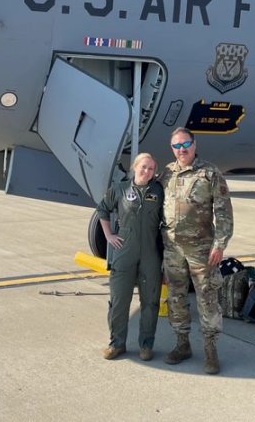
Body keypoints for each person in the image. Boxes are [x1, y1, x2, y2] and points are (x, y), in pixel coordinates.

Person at [160, 127, 234, 374]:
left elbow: (223, 213)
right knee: (176, 296)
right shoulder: (167, 173)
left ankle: (211, 351)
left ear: (194, 144)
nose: (182, 150)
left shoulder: (210, 173)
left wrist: (219, 245)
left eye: (185, 144)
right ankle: (182, 345)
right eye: (176, 146)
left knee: (207, 296)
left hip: (202, 249)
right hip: (172, 249)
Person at [95, 152, 164, 361]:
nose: (147, 171)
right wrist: (108, 235)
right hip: (125, 251)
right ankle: (117, 344)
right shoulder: (120, 189)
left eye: (151, 169)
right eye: (143, 167)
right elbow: (102, 210)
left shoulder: (159, 191)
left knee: (150, 302)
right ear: (135, 167)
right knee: (119, 300)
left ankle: (146, 345)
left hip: (151, 252)